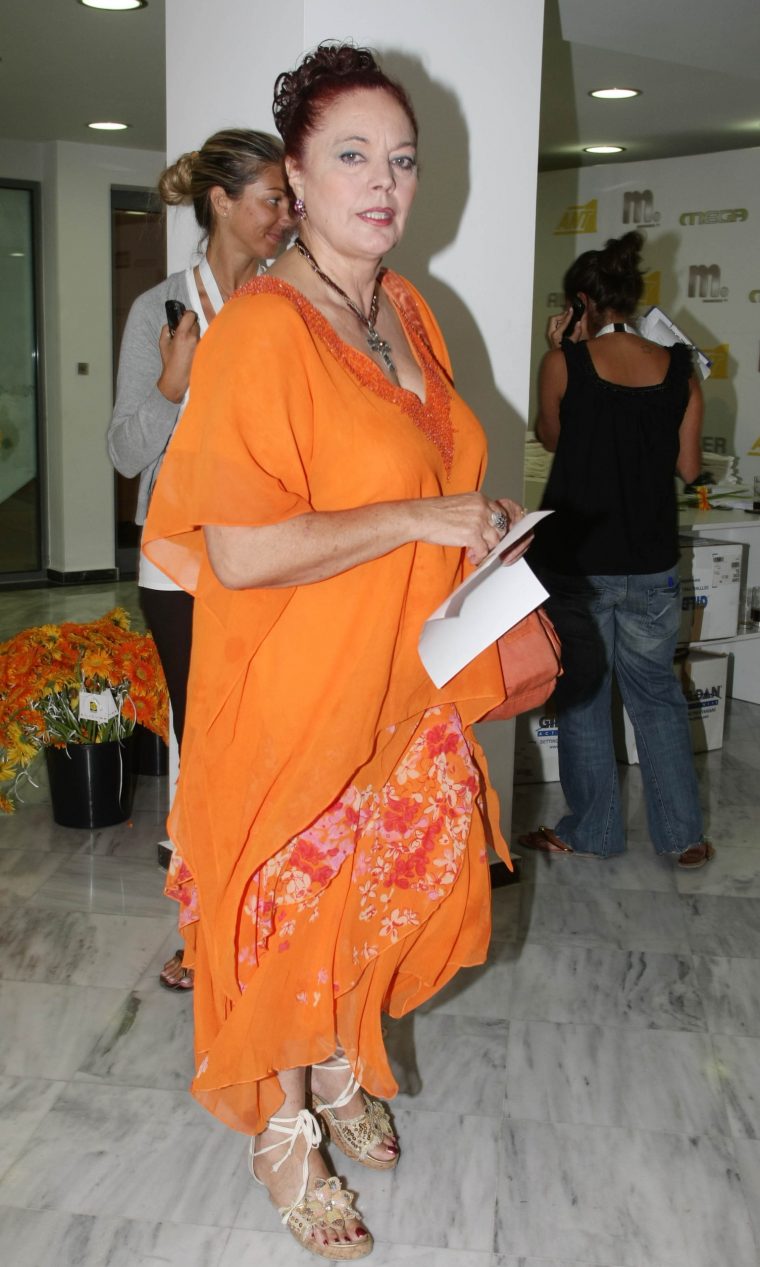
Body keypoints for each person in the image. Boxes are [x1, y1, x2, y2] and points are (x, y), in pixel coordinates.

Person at [142, 42, 529, 1259]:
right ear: (295, 180)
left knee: (374, 896)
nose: (383, 183)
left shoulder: (407, 309)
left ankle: (339, 1057)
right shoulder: (260, 331)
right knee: (288, 914)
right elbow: (244, 551)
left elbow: (428, 467)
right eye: (352, 156)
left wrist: (474, 524)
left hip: (398, 680)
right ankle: (282, 1130)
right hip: (296, 687)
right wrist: (419, 517)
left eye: (401, 160)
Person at [108, 129, 293, 990]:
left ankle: (271, 913)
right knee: (207, 744)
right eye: (271, 200)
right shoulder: (161, 310)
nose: (284, 216)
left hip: (272, 554)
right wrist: (171, 386)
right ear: (222, 202)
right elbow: (124, 449)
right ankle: (206, 928)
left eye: (288, 201)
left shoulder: (291, 302)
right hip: (180, 564)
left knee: (272, 736)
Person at [519, 231, 714, 869]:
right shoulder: (681, 370)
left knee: (585, 695)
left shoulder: (564, 365)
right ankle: (683, 836)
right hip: (651, 560)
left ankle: (593, 830)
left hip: (578, 562)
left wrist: (559, 351)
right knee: (656, 694)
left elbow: (551, 437)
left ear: (581, 303)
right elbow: (689, 468)